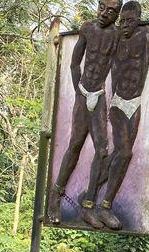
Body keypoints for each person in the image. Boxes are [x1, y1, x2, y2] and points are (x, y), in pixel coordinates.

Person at [45, 0, 121, 225]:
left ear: (116, 15)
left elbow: (117, 67)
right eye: (101, 7)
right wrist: (79, 90)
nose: (104, 14)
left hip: (98, 96)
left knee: (103, 149)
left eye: (110, 11)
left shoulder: (116, 35)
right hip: (83, 92)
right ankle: (55, 197)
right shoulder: (87, 28)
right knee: (75, 145)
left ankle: (88, 202)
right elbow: (74, 64)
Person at [89, 0, 149, 230]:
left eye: (130, 21)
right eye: (122, 21)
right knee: (124, 153)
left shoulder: (144, 36)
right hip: (117, 100)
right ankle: (103, 205)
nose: (126, 25)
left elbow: (145, 63)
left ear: (138, 21)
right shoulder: (114, 37)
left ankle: (92, 192)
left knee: (121, 153)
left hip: (134, 101)